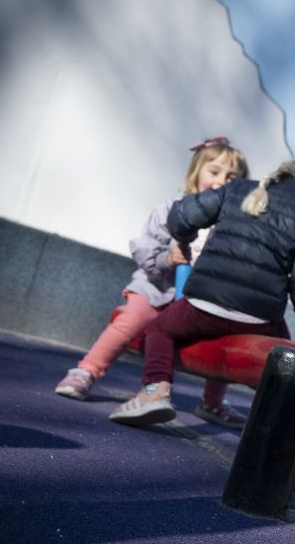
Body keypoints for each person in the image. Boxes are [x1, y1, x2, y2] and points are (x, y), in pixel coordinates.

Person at [108, 151, 295, 427]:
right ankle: (284, 418)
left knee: (158, 330)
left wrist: (185, 239)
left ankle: (154, 391)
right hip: (260, 319)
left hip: (204, 304)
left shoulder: (238, 189)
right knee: (286, 360)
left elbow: (181, 217)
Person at [54, 137, 251, 427]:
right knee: (133, 316)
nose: (221, 181)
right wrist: (167, 259)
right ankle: (86, 371)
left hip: (198, 300)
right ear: (195, 172)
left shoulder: (233, 225)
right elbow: (144, 246)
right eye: (214, 172)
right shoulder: (172, 209)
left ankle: (213, 402)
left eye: (231, 177)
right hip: (158, 288)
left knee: (222, 338)